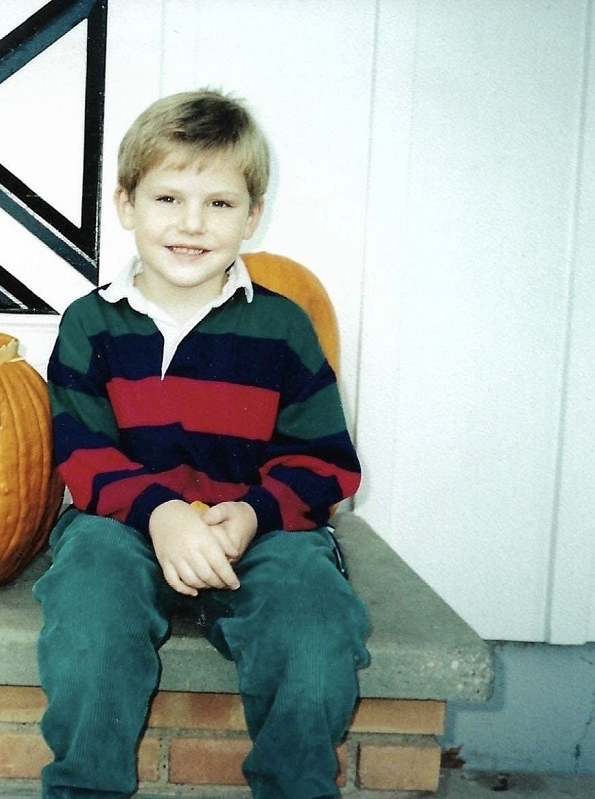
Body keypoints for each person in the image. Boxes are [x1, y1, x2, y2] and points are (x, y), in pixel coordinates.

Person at [34, 89, 371, 798]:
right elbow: (82, 451)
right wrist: (160, 513)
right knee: (89, 608)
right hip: (124, 524)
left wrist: (251, 514)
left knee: (314, 629)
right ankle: (84, 787)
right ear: (126, 204)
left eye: (218, 203)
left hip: (258, 528)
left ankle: (295, 786)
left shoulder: (281, 328)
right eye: (167, 198)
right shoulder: (90, 325)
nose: (191, 223)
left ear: (252, 216)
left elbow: (325, 462)